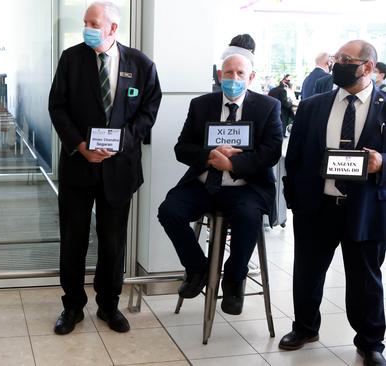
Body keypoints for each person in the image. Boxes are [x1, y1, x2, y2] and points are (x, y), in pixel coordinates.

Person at [48, 1, 161, 334]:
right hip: (78, 166)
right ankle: (72, 307)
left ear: (113, 28)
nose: (87, 27)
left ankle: (109, 305)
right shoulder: (71, 59)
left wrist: (123, 140)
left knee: (113, 242)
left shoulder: (141, 64)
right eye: (85, 22)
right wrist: (81, 146)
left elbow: (149, 110)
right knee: (73, 239)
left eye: (94, 22)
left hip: (119, 168)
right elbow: (57, 107)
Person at [279, 40, 386, 366]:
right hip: (318, 205)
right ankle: (305, 327)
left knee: (365, 279)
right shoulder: (313, 105)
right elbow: (294, 158)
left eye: (345, 60)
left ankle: (370, 342)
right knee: (307, 272)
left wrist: (382, 163)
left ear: (367, 67)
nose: (335, 64)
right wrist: (295, 198)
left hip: (366, 208)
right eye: (336, 58)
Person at [157, 54, 282, 315]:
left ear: (251, 77)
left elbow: (271, 152)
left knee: (248, 218)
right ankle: (197, 267)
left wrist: (233, 165)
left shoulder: (268, 106)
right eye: (228, 73)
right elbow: (182, 148)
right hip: (203, 184)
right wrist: (208, 156)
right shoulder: (201, 105)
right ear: (219, 75)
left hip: (246, 187)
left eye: (240, 73)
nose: (233, 79)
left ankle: (235, 278)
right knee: (169, 211)